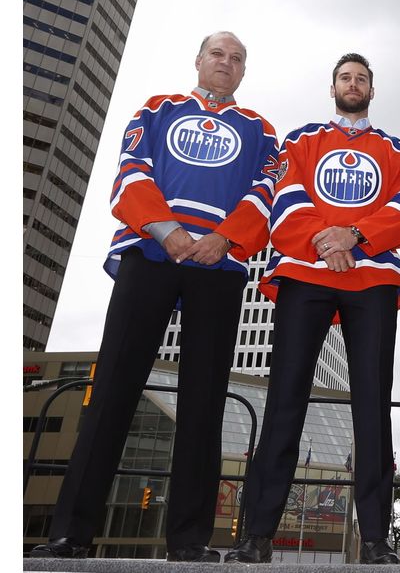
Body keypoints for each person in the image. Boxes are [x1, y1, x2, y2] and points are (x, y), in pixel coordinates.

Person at [31, 32, 279, 562]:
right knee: (115, 384)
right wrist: (167, 231)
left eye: (237, 59)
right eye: (218, 54)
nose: (226, 64)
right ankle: (71, 532)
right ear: (198, 60)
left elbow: (266, 190)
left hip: (219, 259)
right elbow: (131, 170)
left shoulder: (261, 130)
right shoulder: (156, 108)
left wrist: (223, 238)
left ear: (243, 72)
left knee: (204, 397)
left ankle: (188, 539)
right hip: (150, 249)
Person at [225, 53, 400, 565]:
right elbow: (285, 199)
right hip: (305, 273)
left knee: (373, 407)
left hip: (372, 276)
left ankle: (377, 538)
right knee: (285, 399)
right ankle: (258, 533)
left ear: (372, 91)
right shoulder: (302, 140)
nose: (353, 85)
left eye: (362, 80)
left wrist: (354, 236)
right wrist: (323, 242)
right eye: (345, 78)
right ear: (331, 86)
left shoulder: (399, 150)